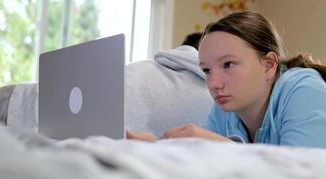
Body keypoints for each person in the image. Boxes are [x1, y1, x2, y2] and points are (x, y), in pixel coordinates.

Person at [127, 11, 326, 148]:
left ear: (269, 65)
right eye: (206, 70)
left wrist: (221, 148)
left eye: (228, 65)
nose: (214, 84)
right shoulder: (225, 111)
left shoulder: (305, 90)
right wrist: (156, 150)